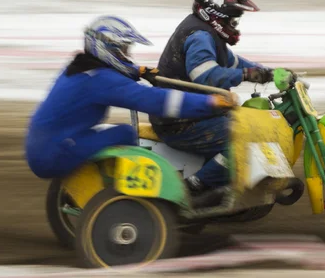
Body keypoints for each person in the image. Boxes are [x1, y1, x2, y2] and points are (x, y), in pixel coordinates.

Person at [25, 15, 238, 179]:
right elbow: (156, 101)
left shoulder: (82, 68)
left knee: (123, 133)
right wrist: (209, 102)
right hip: (53, 154)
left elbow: (113, 72)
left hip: (45, 145)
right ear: (107, 49)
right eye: (122, 50)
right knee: (127, 134)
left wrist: (137, 70)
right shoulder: (100, 80)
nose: (126, 55)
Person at [149, 0, 274, 195]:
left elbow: (234, 63)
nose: (234, 25)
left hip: (193, 114)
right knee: (245, 139)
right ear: (217, 16)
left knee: (251, 128)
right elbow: (206, 76)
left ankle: (228, 189)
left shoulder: (207, 34)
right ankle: (194, 188)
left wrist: (266, 72)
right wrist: (247, 75)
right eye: (232, 19)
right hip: (180, 122)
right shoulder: (199, 36)